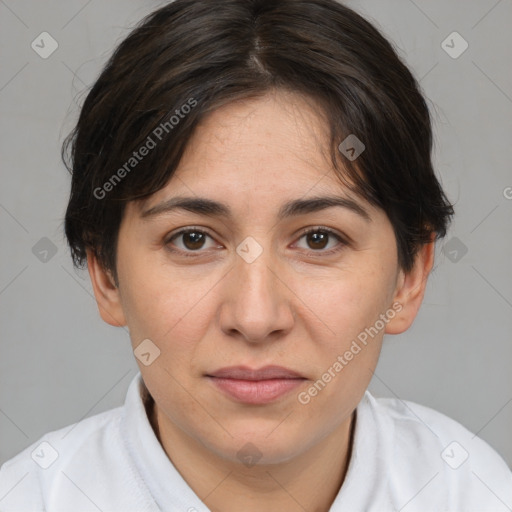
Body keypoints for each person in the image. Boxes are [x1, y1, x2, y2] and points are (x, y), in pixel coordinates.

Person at [1, 0, 511, 510]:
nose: (255, 317)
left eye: (318, 239)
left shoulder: (470, 490)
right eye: (193, 239)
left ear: (409, 277)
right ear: (105, 273)